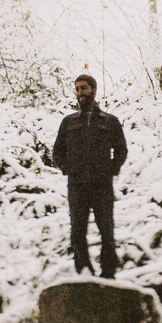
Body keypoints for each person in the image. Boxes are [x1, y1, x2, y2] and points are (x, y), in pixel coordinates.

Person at [45, 73, 126, 278]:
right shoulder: (68, 122)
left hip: (102, 186)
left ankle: (109, 274)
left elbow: (121, 150)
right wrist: (68, 169)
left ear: (94, 90)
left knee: (106, 231)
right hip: (77, 186)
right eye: (78, 89)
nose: (80, 92)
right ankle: (83, 273)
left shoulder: (110, 121)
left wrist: (110, 170)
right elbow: (57, 152)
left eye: (84, 88)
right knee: (78, 232)